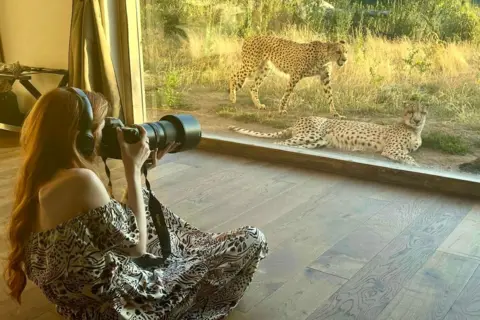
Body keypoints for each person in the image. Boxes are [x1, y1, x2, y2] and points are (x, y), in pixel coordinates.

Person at [3, 87, 269, 319]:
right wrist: (132, 169)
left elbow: (111, 226)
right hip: (126, 307)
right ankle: (189, 265)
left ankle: (188, 253)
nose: (101, 136)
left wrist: (141, 172)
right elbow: (137, 249)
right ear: (81, 137)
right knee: (252, 239)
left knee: (139, 196)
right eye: (99, 128)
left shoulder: (36, 178)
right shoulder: (81, 180)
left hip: (87, 305)